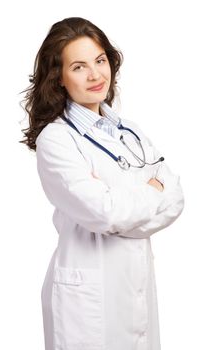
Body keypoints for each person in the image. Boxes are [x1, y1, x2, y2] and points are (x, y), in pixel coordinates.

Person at [19, 17, 184, 350]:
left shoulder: (130, 132)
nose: (95, 75)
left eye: (100, 60)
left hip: (135, 286)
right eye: (79, 66)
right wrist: (150, 190)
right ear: (59, 78)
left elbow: (176, 197)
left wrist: (123, 202)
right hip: (87, 299)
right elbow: (105, 213)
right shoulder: (57, 140)